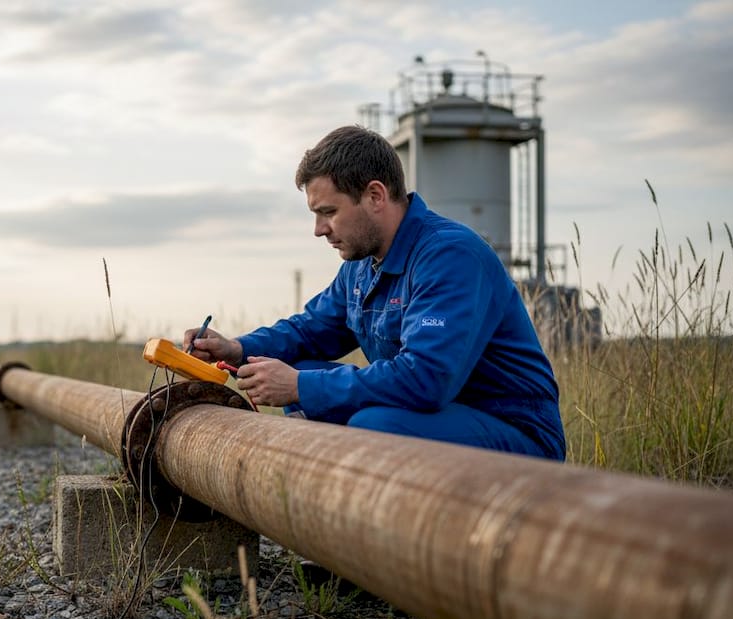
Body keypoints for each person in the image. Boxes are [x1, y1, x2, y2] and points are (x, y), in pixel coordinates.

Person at [185, 125, 565, 460]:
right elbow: (309, 330)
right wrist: (236, 348)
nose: (319, 229)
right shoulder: (360, 265)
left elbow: (426, 380)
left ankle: (384, 532)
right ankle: (320, 506)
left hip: (515, 434)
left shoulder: (450, 256)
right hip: (437, 420)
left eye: (329, 212)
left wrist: (300, 386)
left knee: (371, 422)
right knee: (306, 373)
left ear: (375, 196)